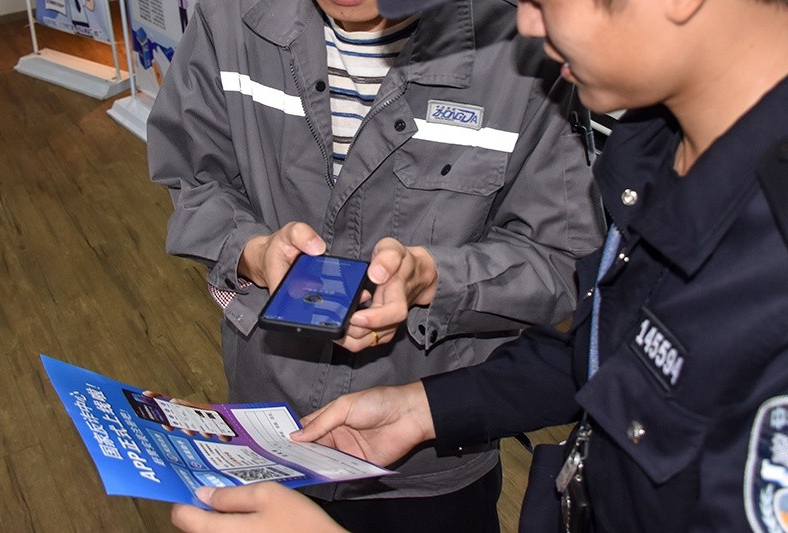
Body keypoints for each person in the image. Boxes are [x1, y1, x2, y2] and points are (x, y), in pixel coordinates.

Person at [170, 0, 788, 530]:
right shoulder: (653, 153)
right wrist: (426, 409)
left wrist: (440, 285)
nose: (527, 24)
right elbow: (611, 352)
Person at [147, 0, 604, 530]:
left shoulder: (524, 51)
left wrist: (433, 279)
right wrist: (252, 250)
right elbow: (193, 178)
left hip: (428, 465)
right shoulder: (228, 19)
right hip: (266, 430)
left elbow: (561, 259)